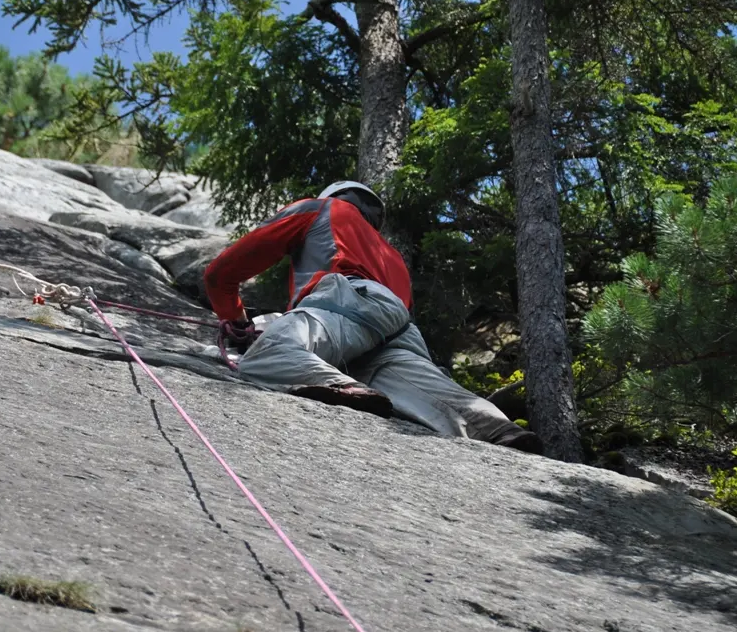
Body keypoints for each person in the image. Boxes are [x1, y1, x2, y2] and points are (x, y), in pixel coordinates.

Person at [203, 181, 543, 455]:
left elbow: (222, 273)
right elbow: (383, 315)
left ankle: (342, 386)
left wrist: (236, 318)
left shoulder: (322, 209)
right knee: (430, 392)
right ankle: (499, 429)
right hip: (396, 326)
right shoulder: (390, 255)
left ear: (333, 197)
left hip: (347, 299)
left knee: (268, 353)